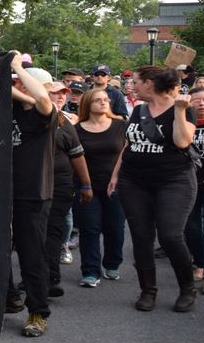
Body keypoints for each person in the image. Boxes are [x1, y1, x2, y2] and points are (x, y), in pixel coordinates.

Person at [109, 66, 198, 312]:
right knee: (141, 236)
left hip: (174, 180)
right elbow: (130, 144)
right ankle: (148, 291)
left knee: (170, 236)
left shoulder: (184, 108)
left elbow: (182, 141)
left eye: (136, 82)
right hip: (134, 181)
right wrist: (115, 174)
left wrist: (179, 110)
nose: (131, 86)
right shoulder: (139, 110)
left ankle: (187, 289)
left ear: (149, 83)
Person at [10, 58, 56, 337]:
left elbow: (42, 98)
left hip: (32, 194)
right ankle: (7, 298)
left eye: (21, 82)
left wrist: (18, 67)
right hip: (0, 191)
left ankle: (37, 312)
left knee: (32, 255)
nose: (16, 84)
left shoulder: (45, 113)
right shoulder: (11, 108)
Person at [75, 89, 127, 288]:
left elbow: (128, 152)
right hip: (86, 186)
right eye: (98, 100)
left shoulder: (120, 125)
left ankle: (112, 263)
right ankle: (90, 271)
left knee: (115, 228)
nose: (104, 103)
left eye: (106, 100)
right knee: (89, 228)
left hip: (116, 186)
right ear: (88, 104)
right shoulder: (77, 129)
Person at [45, 81, 91, 296]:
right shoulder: (24, 119)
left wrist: (86, 184)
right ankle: (34, 278)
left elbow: (77, 155)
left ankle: (51, 279)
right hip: (29, 185)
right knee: (33, 234)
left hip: (60, 186)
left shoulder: (65, 122)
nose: (61, 96)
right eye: (55, 93)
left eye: (64, 93)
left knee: (52, 231)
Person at [185, 87, 204, 295]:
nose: (201, 103)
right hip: (188, 184)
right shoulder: (184, 123)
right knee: (190, 228)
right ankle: (200, 263)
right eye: (196, 100)